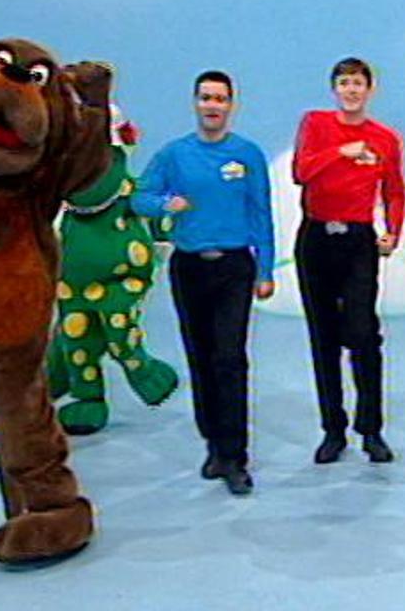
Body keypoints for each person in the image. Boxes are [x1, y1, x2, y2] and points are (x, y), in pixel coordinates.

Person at [134, 70, 275, 496]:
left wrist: (266, 270)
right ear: (195, 103)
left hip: (234, 267)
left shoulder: (247, 155)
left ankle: (235, 456)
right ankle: (213, 444)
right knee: (200, 356)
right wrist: (166, 203)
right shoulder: (175, 154)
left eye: (220, 99)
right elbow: (140, 197)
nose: (212, 105)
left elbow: (261, 213)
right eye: (206, 98)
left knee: (229, 357)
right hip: (189, 268)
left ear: (231, 105)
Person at [292, 57, 405, 464]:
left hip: (359, 241)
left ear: (370, 89)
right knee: (323, 337)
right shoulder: (315, 124)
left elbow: (395, 190)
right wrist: (342, 151)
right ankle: (333, 429)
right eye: (344, 83)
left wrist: (393, 229)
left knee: (363, 334)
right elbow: (301, 172)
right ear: (334, 89)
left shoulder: (385, 138)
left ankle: (371, 429)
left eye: (358, 83)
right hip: (316, 237)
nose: (351, 90)